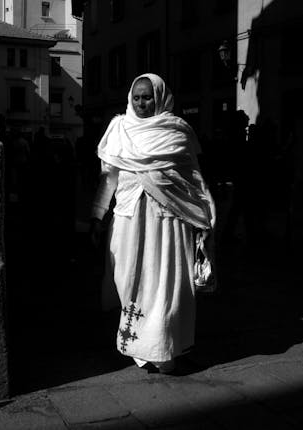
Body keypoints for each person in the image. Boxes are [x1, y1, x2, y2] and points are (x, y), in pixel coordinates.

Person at [89, 74, 215, 374]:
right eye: (137, 97)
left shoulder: (177, 131)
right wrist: (97, 215)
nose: (142, 102)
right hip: (129, 222)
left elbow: (193, 180)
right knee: (131, 281)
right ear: (129, 99)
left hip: (169, 224)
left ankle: (165, 349)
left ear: (159, 97)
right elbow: (108, 179)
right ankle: (141, 348)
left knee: (166, 286)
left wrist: (203, 216)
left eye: (147, 97)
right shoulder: (119, 129)